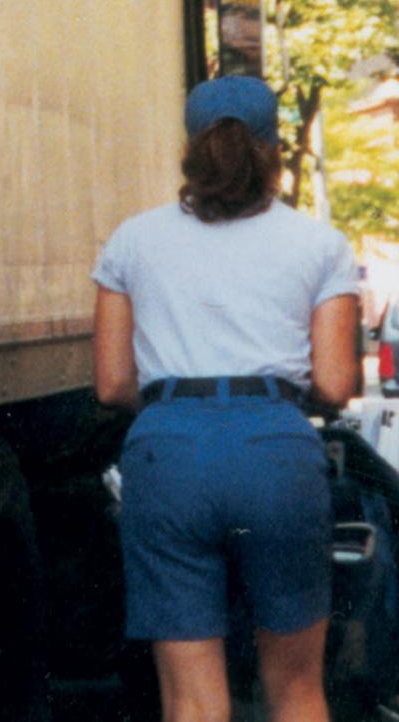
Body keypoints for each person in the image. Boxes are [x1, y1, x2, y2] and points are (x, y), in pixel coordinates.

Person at [92, 75, 361, 722]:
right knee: (296, 690)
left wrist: (180, 413)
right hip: (276, 455)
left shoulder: (132, 240)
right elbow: (331, 383)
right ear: (273, 149)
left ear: (191, 147)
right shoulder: (320, 245)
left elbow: (111, 382)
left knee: (190, 700)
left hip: (168, 457)